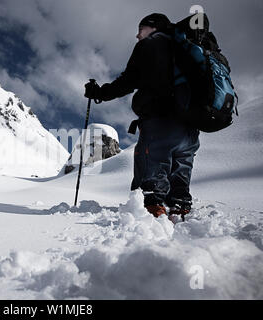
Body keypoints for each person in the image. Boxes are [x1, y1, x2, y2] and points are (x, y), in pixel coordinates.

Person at [84, 13, 200, 220]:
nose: (137, 36)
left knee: (152, 162)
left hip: (159, 117)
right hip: (190, 122)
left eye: (141, 30)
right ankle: (180, 207)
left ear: (153, 27)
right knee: (182, 164)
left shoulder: (151, 44)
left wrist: (99, 92)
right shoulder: (187, 46)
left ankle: (151, 210)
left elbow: (129, 80)